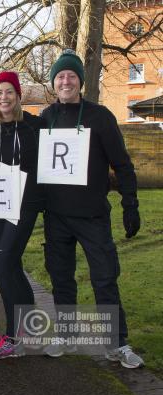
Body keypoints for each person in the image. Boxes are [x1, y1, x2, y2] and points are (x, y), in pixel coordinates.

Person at [41, 50, 143, 368]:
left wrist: (130, 205)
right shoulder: (45, 118)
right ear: (54, 83)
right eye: (60, 76)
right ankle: (67, 335)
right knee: (61, 278)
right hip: (56, 215)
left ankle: (117, 343)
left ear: (81, 82)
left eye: (72, 76)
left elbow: (123, 165)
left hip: (93, 216)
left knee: (104, 278)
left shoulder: (100, 117)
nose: (66, 81)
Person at [0, 72, 46, 359]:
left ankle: (12, 338)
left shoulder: (33, 126)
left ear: (18, 96)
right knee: (13, 266)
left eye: (9, 92)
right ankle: (30, 334)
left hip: (24, 205)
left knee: (3, 265)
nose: (3, 97)